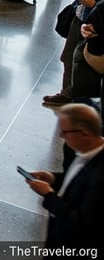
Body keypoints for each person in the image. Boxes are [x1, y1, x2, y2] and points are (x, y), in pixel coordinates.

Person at [23, 103, 104, 251]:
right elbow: (77, 183)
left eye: (65, 132)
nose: (61, 136)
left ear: (84, 133)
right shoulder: (85, 152)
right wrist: (54, 179)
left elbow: (80, 225)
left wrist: (48, 195)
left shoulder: (99, 176)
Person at [40, 0, 104, 107]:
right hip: (79, 17)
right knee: (68, 56)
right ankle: (67, 92)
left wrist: (94, 3)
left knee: (84, 62)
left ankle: (80, 98)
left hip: (96, 26)